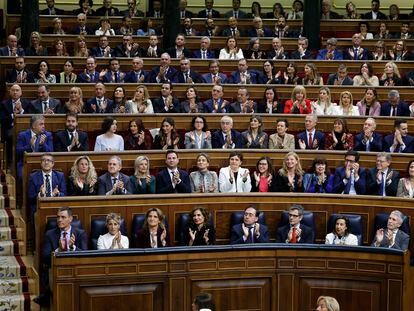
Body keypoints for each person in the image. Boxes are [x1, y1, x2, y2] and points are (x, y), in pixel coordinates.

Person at [40, 207, 87, 306]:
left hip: (76, 270)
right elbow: (45, 258)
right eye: (58, 217)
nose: (59, 220)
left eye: (63, 217)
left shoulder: (80, 233)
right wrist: (59, 250)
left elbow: (85, 255)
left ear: (70, 219)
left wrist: (72, 247)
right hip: (56, 271)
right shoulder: (50, 234)